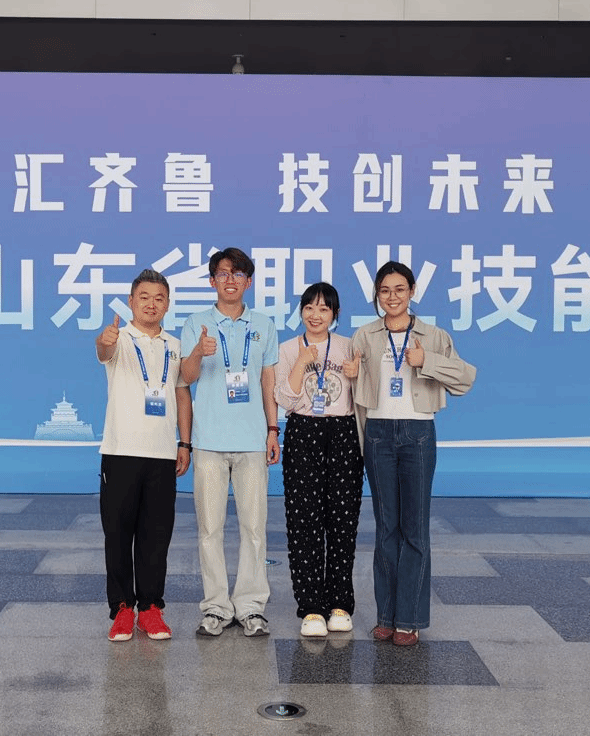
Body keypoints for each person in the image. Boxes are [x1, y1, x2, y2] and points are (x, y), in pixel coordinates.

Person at [343, 261, 476, 647]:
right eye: (384, 290)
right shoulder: (364, 335)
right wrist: (352, 375)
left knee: (414, 528)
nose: (392, 297)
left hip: (417, 433)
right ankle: (386, 616)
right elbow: (356, 395)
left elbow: (465, 379)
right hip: (378, 434)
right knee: (386, 526)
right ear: (377, 295)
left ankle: (410, 619)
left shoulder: (433, 336)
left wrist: (426, 362)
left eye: (399, 289)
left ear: (412, 291)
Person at [180, 247, 280, 638]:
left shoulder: (264, 325)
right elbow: (186, 377)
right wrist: (197, 352)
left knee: (254, 529)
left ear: (248, 282)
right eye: (223, 273)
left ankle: (251, 607)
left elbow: (268, 380)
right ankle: (216, 607)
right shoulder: (196, 323)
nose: (230, 280)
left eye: (238, 274)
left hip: (252, 440)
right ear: (212, 281)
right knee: (210, 530)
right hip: (208, 440)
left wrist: (273, 429)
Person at [96, 269, 193, 642]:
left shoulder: (174, 344)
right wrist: (104, 340)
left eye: (159, 298)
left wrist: (184, 443)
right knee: (118, 534)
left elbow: (182, 393)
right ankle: (122, 609)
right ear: (131, 301)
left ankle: (151, 608)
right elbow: (102, 352)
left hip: (162, 454)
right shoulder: (119, 338)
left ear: (167, 304)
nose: (151, 304)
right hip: (120, 451)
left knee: (156, 536)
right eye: (144, 297)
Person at [274, 282, 364, 638]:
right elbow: (285, 398)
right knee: (303, 522)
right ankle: (311, 607)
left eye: (324, 308)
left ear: (335, 314)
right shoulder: (286, 348)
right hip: (303, 432)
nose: (316, 315)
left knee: (342, 521)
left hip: (342, 434)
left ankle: (340, 603)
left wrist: (358, 375)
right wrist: (301, 362)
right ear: (301, 311)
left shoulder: (349, 346)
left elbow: (364, 394)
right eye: (309, 307)